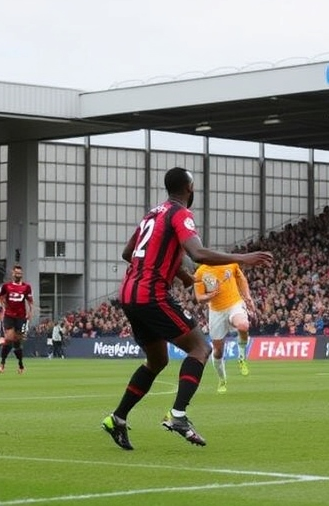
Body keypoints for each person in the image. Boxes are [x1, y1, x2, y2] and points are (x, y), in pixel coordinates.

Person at [102, 167, 273, 451]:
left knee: (157, 361)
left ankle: (117, 419)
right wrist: (244, 257)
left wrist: (180, 274)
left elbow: (127, 253)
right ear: (190, 188)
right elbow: (198, 253)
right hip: (151, 294)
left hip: (129, 294)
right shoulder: (181, 214)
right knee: (200, 349)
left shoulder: (152, 214)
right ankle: (178, 416)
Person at [193, 263, 255, 393]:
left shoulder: (230, 263)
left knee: (243, 325)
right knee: (218, 351)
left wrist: (248, 297)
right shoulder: (200, 272)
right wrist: (210, 295)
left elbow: (241, 279)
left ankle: (242, 356)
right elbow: (200, 298)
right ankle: (222, 379)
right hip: (216, 312)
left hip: (235, 304)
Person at [0, 264, 33, 373]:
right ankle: (2, 363)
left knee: (17, 342)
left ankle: (20, 365)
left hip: (21, 317)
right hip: (9, 315)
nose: (18, 275)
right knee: (9, 338)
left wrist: (30, 312)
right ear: (13, 273)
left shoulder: (26, 287)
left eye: (20, 273)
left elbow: (30, 301)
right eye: (16, 273)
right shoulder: (6, 286)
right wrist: (2, 306)